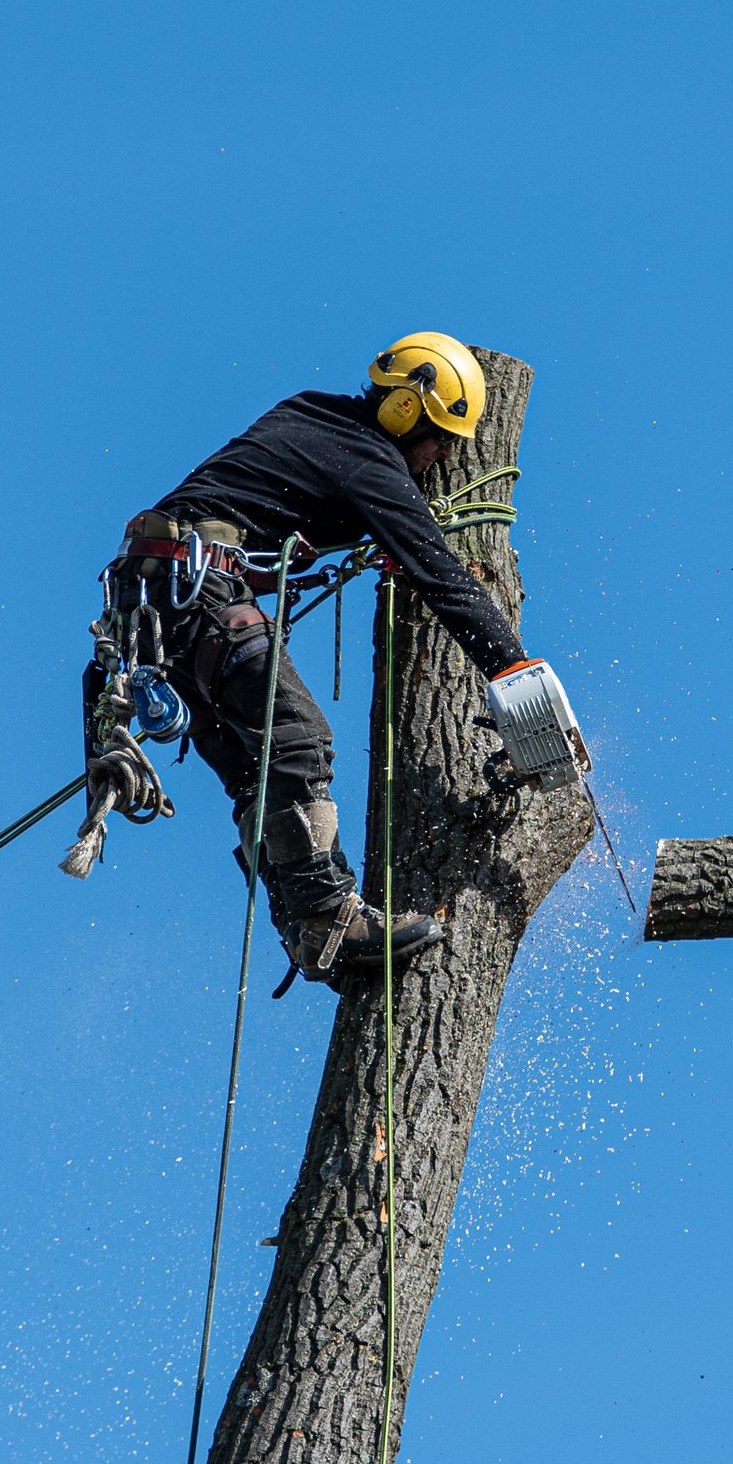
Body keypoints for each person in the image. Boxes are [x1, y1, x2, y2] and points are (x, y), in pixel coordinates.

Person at [80, 333, 567, 985]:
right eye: (442, 440)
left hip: (155, 603)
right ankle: (327, 914)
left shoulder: (313, 416)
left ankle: (306, 932)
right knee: (298, 739)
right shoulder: (367, 456)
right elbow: (443, 577)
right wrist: (517, 673)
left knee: (260, 775)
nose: (442, 457)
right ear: (404, 415)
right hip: (195, 590)